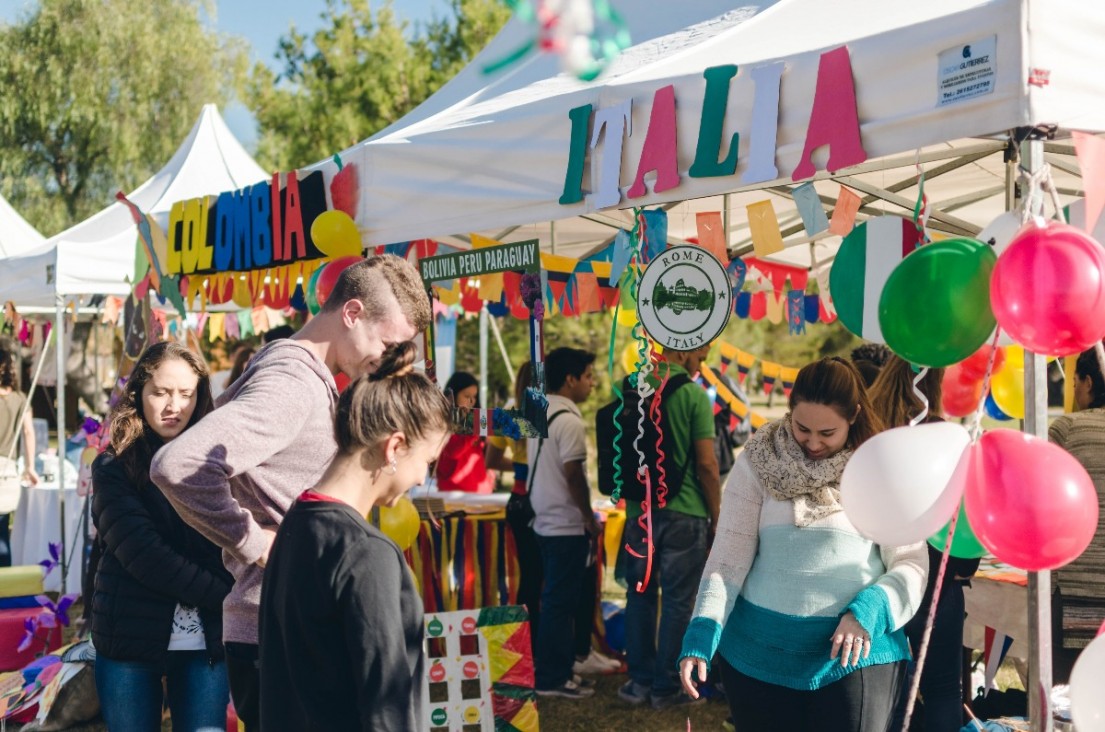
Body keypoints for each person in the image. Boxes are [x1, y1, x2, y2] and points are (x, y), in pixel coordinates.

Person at [151, 254, 431, 731]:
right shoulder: (293, 383)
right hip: (275, 630)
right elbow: (177, 465)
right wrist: (259, 546)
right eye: (386, 344)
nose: (385, 361)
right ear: (352, 313)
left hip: (278, 624)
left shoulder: (300, 372)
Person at [679, 357, 927, 732]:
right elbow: (727, 562)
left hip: (854, 660)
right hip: (758, 658)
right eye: (802, 428)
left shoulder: (879, 470)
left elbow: (911, 563)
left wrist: (870, 611)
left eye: (827, 433)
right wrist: (702, 631)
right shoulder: (758, 463)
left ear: (854, 416)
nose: (812, 443)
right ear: (789, 410)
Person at [259, 342, 450, 731]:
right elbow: (386, 708)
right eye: (427, 464)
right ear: (395, 446)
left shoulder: (295, 523)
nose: (419, 479)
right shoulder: (366, 552)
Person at [91, 342, 233, 731]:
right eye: (161, 392)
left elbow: (227, 541)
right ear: (139, 393)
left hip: (204, 641)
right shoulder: (114, 464)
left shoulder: (217, 463)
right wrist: (226, 596)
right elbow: (144, 555)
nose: (174, 405)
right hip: (129, 637)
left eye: (186, 393)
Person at [869, 356, 979, 732]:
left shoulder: (871, 435)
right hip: (938, 586)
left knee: (890, 694)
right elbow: (965, 522)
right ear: (934, 387)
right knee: (945, 690)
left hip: (877, 583)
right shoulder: (945, 440)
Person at [619, 343, 722, 709]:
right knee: (679, 602)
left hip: (638, 512)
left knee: (639, 596)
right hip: (686, 512)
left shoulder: (631, 386)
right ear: (683, 351)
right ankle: (666, 688)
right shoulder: (694, 395)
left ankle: (639, 683)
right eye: (701, 356)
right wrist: (717, 515)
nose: (701, 365)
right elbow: (708, 466)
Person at [530, 346, 601, 698]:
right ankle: (552, 678)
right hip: (565, 523)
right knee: (560, 603)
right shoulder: (569, 421)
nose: (593, 383)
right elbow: (574, 476)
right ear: (570, 379)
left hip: (545, 519)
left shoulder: (539, 413)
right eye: (588, 376)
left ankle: (558, 671)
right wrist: (589, 518)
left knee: (556, 600)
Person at [1049, 346, 1105, 684]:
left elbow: (1041, 502)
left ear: (1087, 382)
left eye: (1074, 382)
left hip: (1075, 586)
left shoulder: (1066, 428)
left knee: (1067, 693)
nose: (1073, 391)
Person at [488, 362, 542, 637]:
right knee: (542, 576)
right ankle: (537, 639)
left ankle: (524, 641)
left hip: (516, 499)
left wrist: (520, 468)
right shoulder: (543, 413)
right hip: (540, 500)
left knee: (528, 574)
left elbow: (492, 459)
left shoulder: (506, 414)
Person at [0, 342, 37, 566]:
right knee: (3, 530)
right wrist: (29, 467)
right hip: (8, 471)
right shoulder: (20, 399)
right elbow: (28, 432)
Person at [436, 371, 495, 493]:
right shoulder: (442, 420)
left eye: (474, 397)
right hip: (453, 495)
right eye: (467, 396)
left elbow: (486, 455)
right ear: (453, 395)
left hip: (481, 495)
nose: (472, 401)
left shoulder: (476, 421)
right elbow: (453, 451)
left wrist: (490, 477)